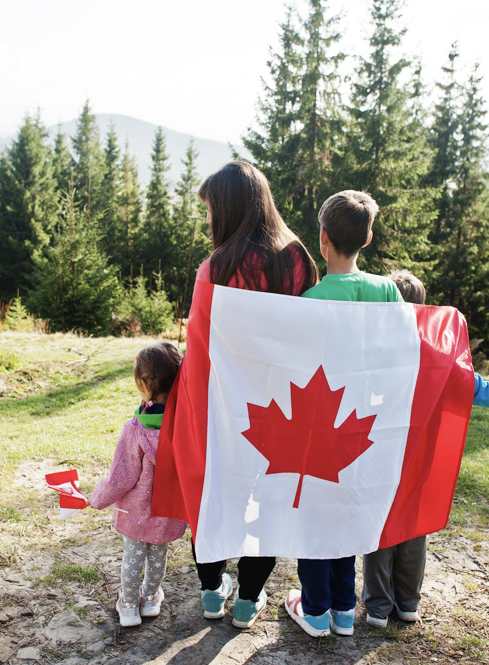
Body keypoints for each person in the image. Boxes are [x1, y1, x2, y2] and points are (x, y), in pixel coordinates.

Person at [360, 269, 489, 629]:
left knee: (382, 526)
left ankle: (378, 607)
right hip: (422, 462)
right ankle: (407, 603)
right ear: (424, 310)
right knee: (413, 527)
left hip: (381, 456)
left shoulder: (373, 355)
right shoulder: (444, 361)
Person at [192, 160, 320, 629]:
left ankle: (211, 594)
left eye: (209, 211)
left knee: (215, 496)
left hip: (227, 406)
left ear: (227, 209)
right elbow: (313, 334)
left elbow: (201, 344)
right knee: (269, 499)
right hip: (283, 406)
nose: (208, 220)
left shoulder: (216, 267)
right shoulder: (298, 258)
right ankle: (247, 601)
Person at [282, 189, 403, 638]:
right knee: (349, 513)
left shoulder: (310, 300)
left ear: (323, 238)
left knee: (316, 516)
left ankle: (314, 610)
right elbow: (400, 357)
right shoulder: (387, 290)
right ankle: (344, 610)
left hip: (317, 428)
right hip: (367, 427)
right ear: (367, 238)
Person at [90, 342, 188, 627]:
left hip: (136, 512)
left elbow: (122, 477)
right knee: (158, 556)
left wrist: (97, 497)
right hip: (166, 510)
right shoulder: (186, 425)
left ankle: (130, 605)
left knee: (133, 556)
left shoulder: (135, 429)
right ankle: (150, 598)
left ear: (144, 382)